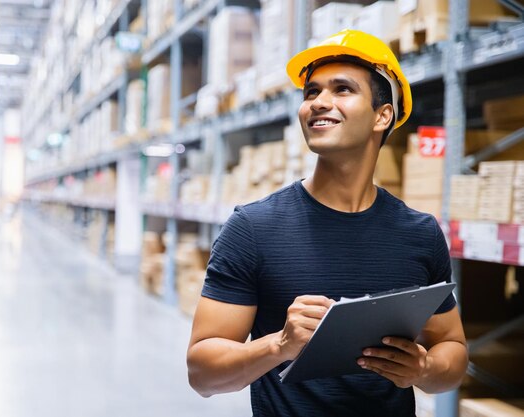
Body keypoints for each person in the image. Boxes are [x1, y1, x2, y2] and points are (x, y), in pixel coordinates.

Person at [186, 29, 468, 416]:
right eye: (311, 92)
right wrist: (278, 346)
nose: (319, 102)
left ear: (382, 115)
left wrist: (423, 367)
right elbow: (201, 373)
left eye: (342, 89)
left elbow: (452, 352)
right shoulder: (253, 228)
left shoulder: (419, 233)